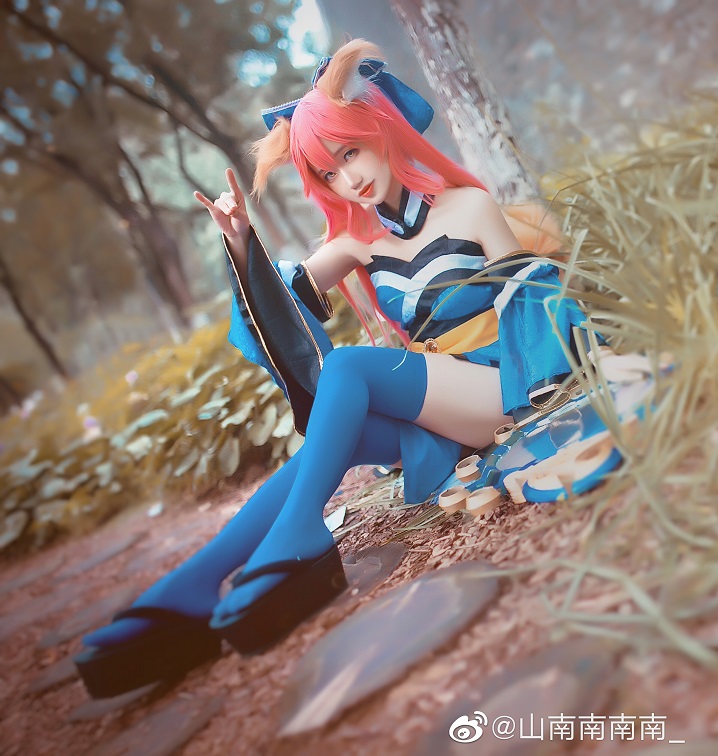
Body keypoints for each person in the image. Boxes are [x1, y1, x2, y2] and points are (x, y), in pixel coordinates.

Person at [74, 39, 599, 698]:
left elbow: (534, 299)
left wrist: (557, 384)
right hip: (443, 405)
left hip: (502, 387)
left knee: (349, 368)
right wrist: (241, 242)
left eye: (349, 152)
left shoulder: (468, 207)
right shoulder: (358, 242)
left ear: (379, 130)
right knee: (331, 439)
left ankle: (299, 538)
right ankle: (193, 586)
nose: (348, 179)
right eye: (328, 172)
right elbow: (280, 310)